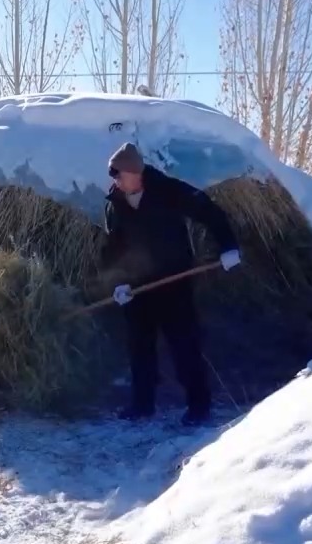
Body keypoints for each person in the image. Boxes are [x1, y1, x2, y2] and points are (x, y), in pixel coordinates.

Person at [99, 142, 242, 427]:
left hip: (174, 280)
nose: (115, 181)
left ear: (135, 172)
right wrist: (117, 284)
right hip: (137, 287)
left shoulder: (167, 190)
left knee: (184, 344)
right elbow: (111, 249)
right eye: (113, 177)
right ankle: (142, 404)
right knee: (139, 346)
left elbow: (208, 211)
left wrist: (228, 246)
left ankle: (198, 405)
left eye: (119, 176)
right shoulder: (116, 203)